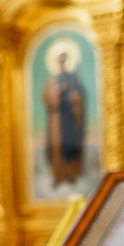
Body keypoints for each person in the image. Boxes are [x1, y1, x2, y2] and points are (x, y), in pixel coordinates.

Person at [42, 48, 86, 186]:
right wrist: (57, 93)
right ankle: (58, 175)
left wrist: (75, 98)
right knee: (57, 147)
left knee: (71, 144)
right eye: (60, 59)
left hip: (70, 117)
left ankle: (71, 174)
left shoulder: (73, 78)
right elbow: (47, 97)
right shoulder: (52, 79)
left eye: (64, 59)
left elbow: (80, 95)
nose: (62, 62)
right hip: (57, 118)